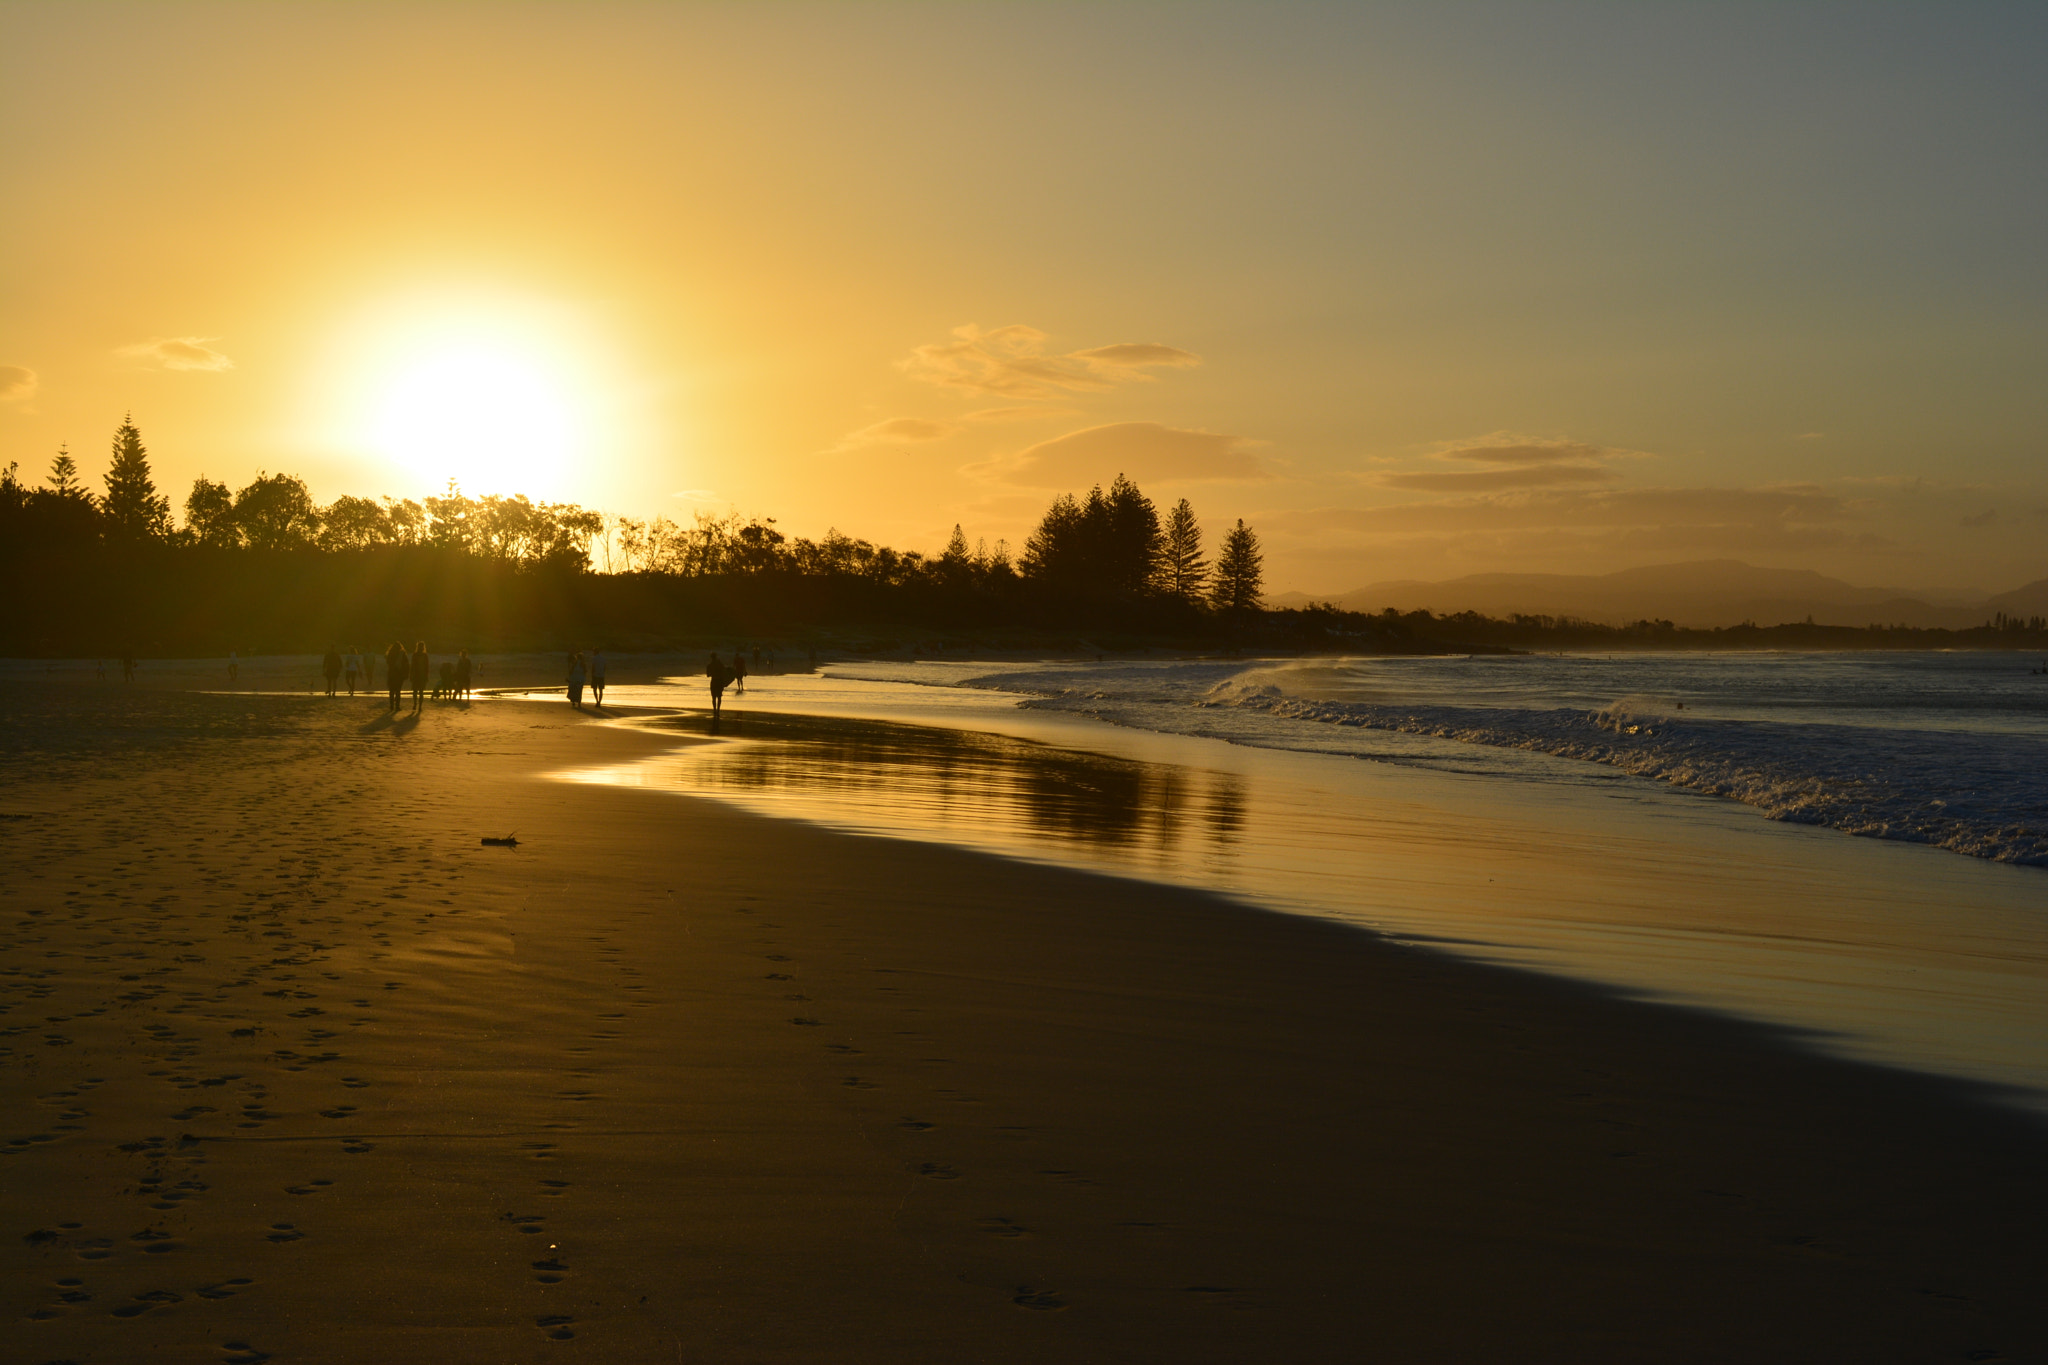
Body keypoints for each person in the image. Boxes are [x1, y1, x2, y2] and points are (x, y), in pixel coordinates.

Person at [707, 650, 731, 721]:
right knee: (719, 697)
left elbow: (708, 675)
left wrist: (713, 672)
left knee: (713, 697)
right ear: (716, 656)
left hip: (714, 681)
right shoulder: (720, 663)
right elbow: (724, 671)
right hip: (719, 681)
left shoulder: (710, 665)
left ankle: (714, 710)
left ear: (711, 657)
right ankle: (718, 710)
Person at [385, 641, 407, 713]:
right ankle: (397, 706)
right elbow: (406, 664)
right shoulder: (402, 654)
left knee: (391, 691)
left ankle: (391, 706)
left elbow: (388, 662)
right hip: (399, 674)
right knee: (398, 691)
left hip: (391, 674)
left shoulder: (390, 654)